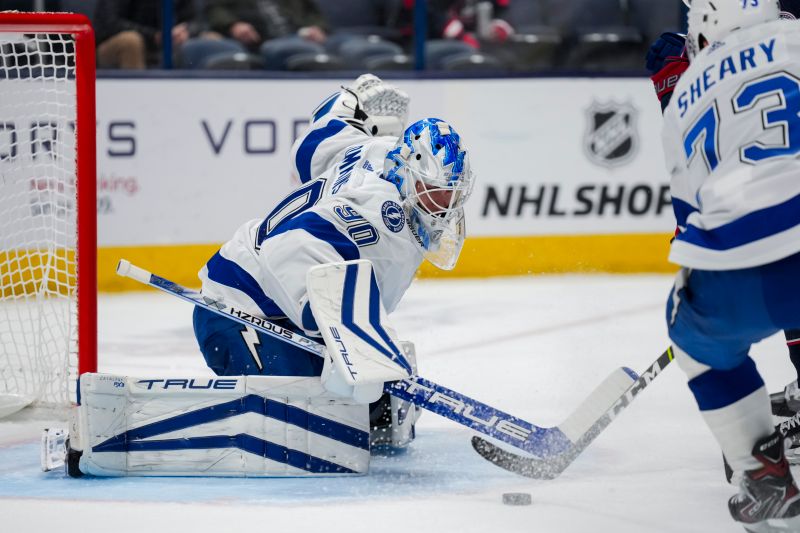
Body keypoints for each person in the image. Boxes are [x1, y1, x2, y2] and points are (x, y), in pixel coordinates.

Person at [192, 74, 475, 449]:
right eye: (435, 192)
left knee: (383, 415)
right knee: (315, 431)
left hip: (280, 309)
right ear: (409, 172)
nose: (444, 207)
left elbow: (316, 142)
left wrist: (353, 98)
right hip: (239, 311)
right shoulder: (378, 215)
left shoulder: (377, 150)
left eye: (451, 195)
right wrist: (335, 325)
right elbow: (288, 244)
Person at [660, 1, 800, 530]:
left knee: (691, 335)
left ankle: (764, 477)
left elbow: (690, 222)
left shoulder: (683, 97)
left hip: (738, 266)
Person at [93, 0, 199, 69]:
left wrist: (186, 30)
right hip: (112, 46)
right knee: (130, 41)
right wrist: (153, 36)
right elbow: (108, 23)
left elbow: (197, 21)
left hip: (166, 45)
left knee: (210, 39)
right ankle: (134, 97)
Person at [204, 0, 329, 51]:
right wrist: (233, 25)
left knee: (344, 45)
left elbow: (311, 12)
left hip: (300, 36)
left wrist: (317, 28)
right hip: (259, 40)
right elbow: (215, 9)